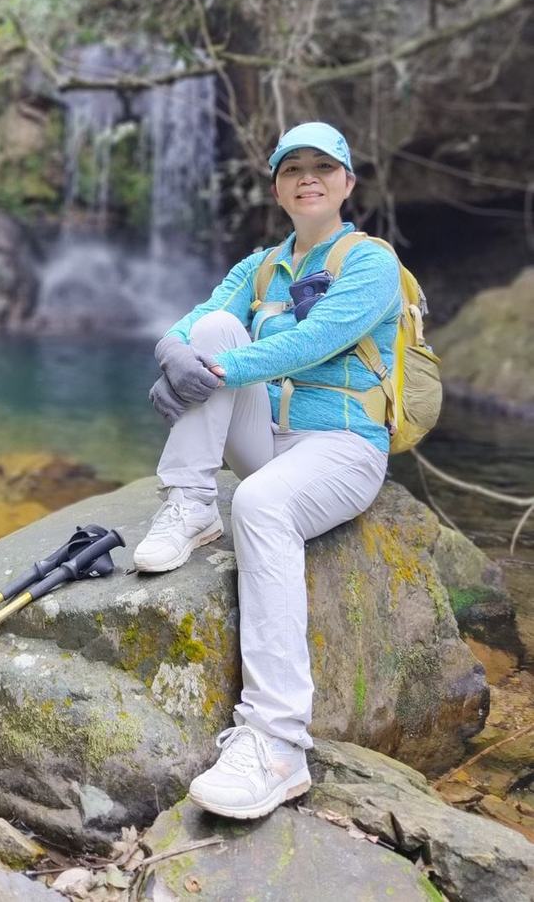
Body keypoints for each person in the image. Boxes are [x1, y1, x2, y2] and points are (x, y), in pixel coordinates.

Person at [133, 121, 400, 821]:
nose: (308, 177)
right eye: (292, 168)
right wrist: (174, 356)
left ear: (347, 182)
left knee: (259, 504)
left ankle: (278, 744)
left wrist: (208, 374)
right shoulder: (259, 266)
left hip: (342, 446)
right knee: (213, 330)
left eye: (323, 166)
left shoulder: (371, 262)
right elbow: (195, 323)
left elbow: (314, 341)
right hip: (270, 439)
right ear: (278, 187)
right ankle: (191, 503)